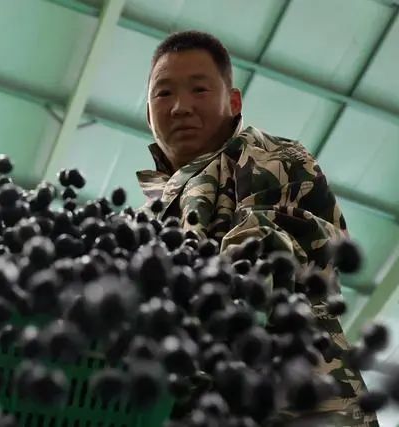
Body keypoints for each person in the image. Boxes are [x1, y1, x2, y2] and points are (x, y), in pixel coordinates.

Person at [137, 30, 378, 426]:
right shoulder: (146, 220)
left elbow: (268, 245)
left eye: (199, 89)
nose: (180, 107)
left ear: (233, 103)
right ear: (149, 114)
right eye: (164, 94)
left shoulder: (264, 155)